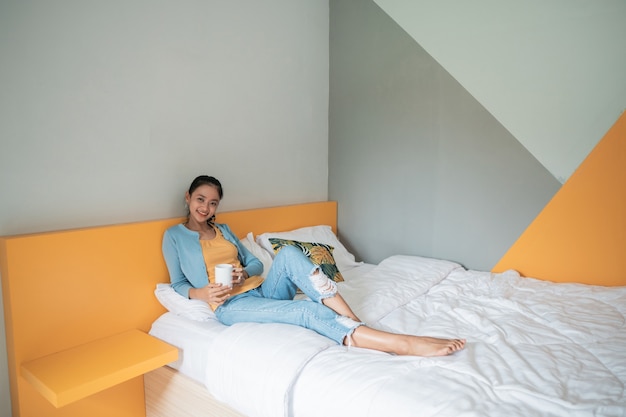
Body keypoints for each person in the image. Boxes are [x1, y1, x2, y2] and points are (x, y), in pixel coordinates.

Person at [162, 175, 465, 357]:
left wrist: (244, 272)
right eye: (200, 199)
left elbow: (254, 262)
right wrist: (203, 293)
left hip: (261, 291)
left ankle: (352, 318)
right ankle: (400, 344)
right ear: (188, 198)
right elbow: (177, 284)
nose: (206, 207)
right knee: (306, 310)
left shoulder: (224, 230)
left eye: (213, 202)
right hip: (231, 305)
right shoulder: (174, 236)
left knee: (289, 255)